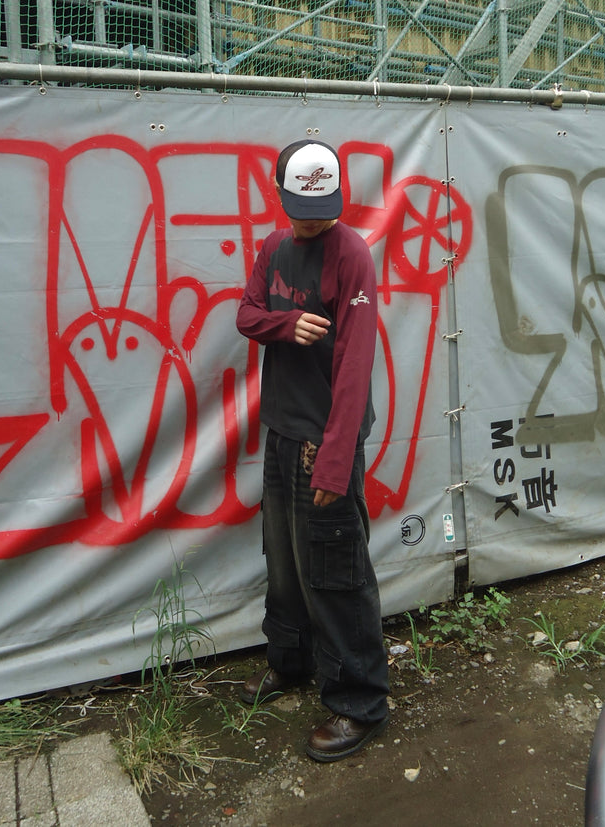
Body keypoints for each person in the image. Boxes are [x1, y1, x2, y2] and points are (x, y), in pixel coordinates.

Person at [236, 138, 389, 762]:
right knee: (284, 560)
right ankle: (291, 662)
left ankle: (359, 700)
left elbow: (355, 367)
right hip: (282, 429)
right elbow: (247, 315)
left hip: (327, 437)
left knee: (334, 567)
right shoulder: (274, 247)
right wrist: (284, 325)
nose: (314, 218)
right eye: (302, 205)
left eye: (323, 205)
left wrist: (333, 457)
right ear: (281, 194)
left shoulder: (351, 253)